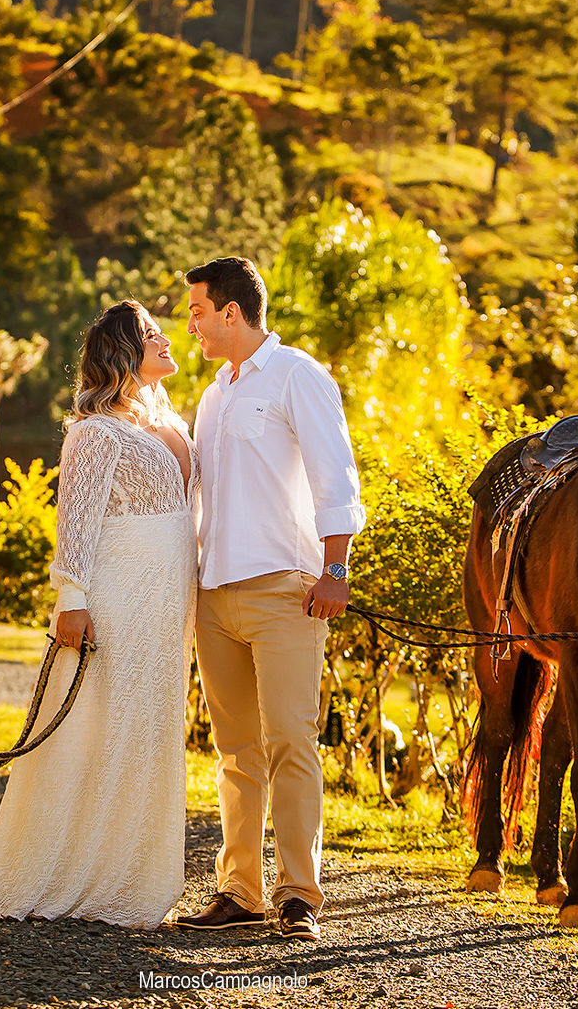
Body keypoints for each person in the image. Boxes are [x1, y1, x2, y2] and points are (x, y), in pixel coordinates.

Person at [0, 300, 199, 930]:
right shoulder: (95, 432)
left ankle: (137, 867)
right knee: (100, 724)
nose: (166, 340)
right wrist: (72, 600)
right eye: (152, 335)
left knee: (149, 727)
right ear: (125, 354)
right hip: (117, 598)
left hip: (168, 603)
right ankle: (75, 870)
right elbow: (76, 523)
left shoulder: (166, 417)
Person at [176, 256, 365, 943]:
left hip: (286, 591)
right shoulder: (213, 394)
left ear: (231, 312)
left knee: (290, 742)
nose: (190, 323)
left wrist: (335, 570)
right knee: (233, 752)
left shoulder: (298, 375)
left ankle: (298, 895)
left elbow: (334, 475)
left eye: (197, 309)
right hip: (215, 595)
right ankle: (239, 891)